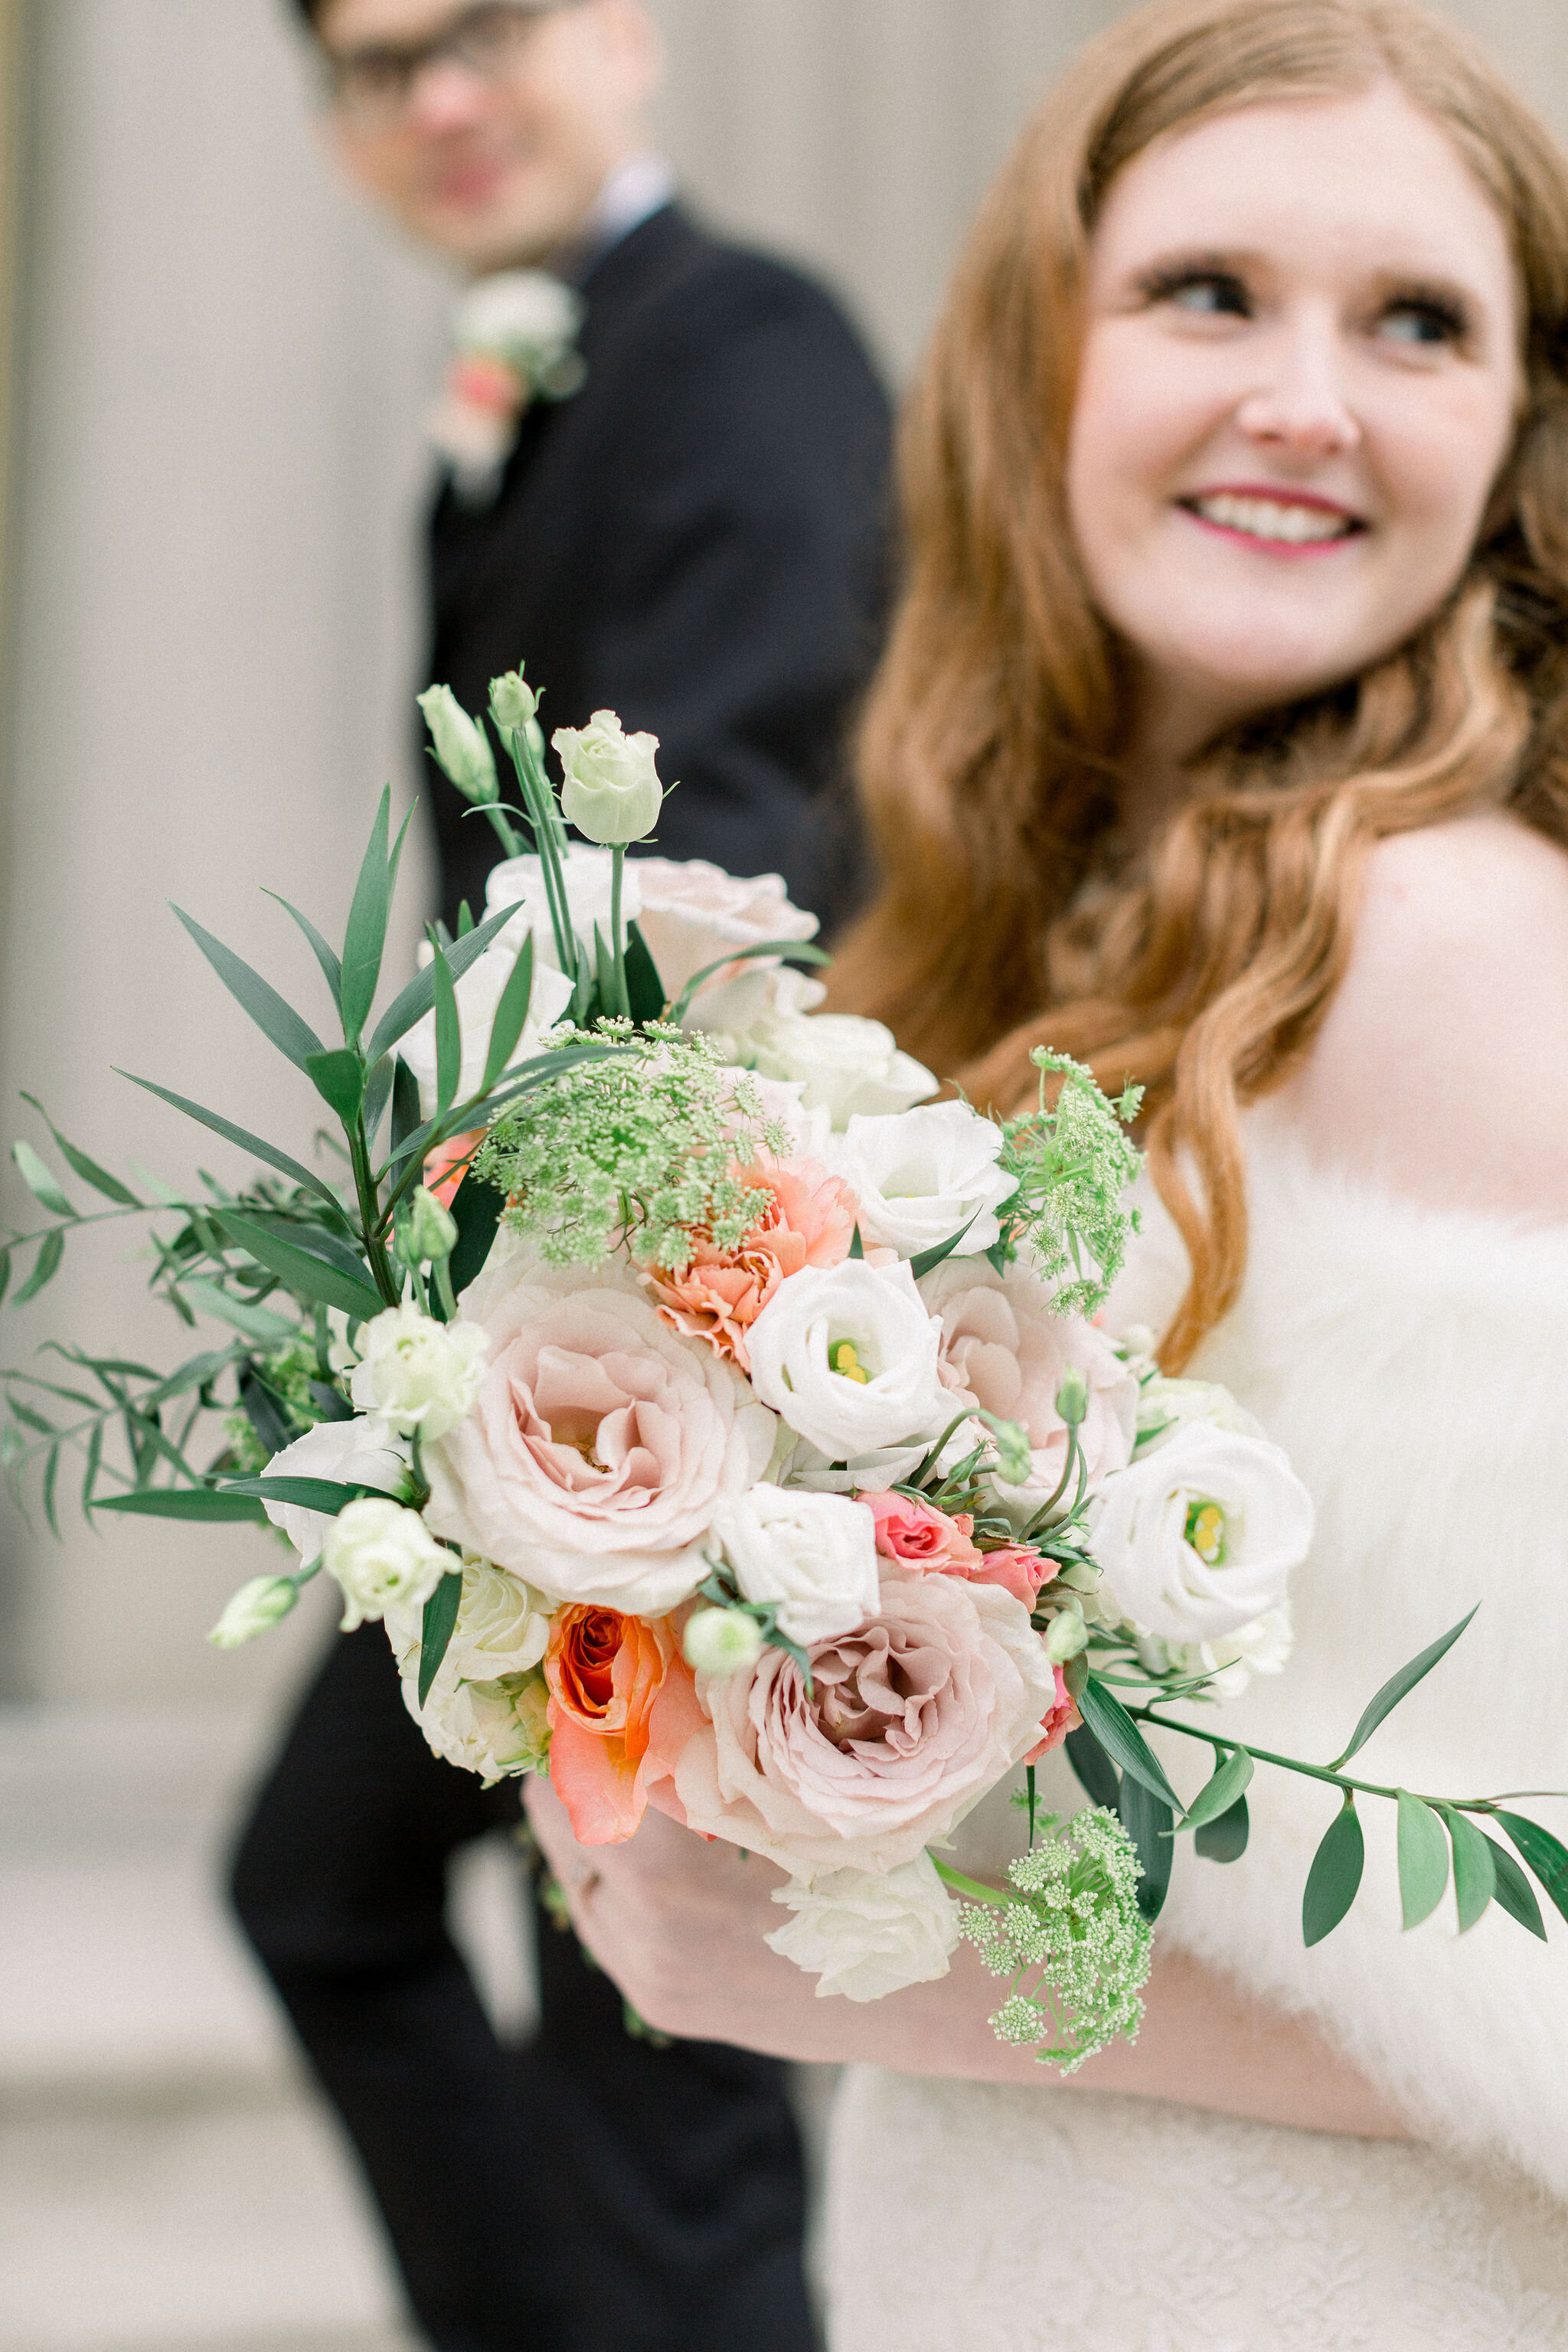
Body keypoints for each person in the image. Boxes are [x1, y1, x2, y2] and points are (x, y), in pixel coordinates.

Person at [523, 1, 1568, 2344]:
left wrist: (897, 1968)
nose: (1308, 397)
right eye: (1212, 292)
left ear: (1517, 435)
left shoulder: (1461, 951)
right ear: (1043, 357)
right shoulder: (1031, 922)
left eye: (1419, 322)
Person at [231, 5, 891, 2350]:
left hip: (691, 1307)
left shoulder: (748, 348)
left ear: (628, 28)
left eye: (480, 26)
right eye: (368, 66)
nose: (433, 99)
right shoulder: (537, 381)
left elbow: (706, 840)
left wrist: (484, 1236)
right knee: (398, 1907)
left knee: (657, 2011)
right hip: (546, 1303)